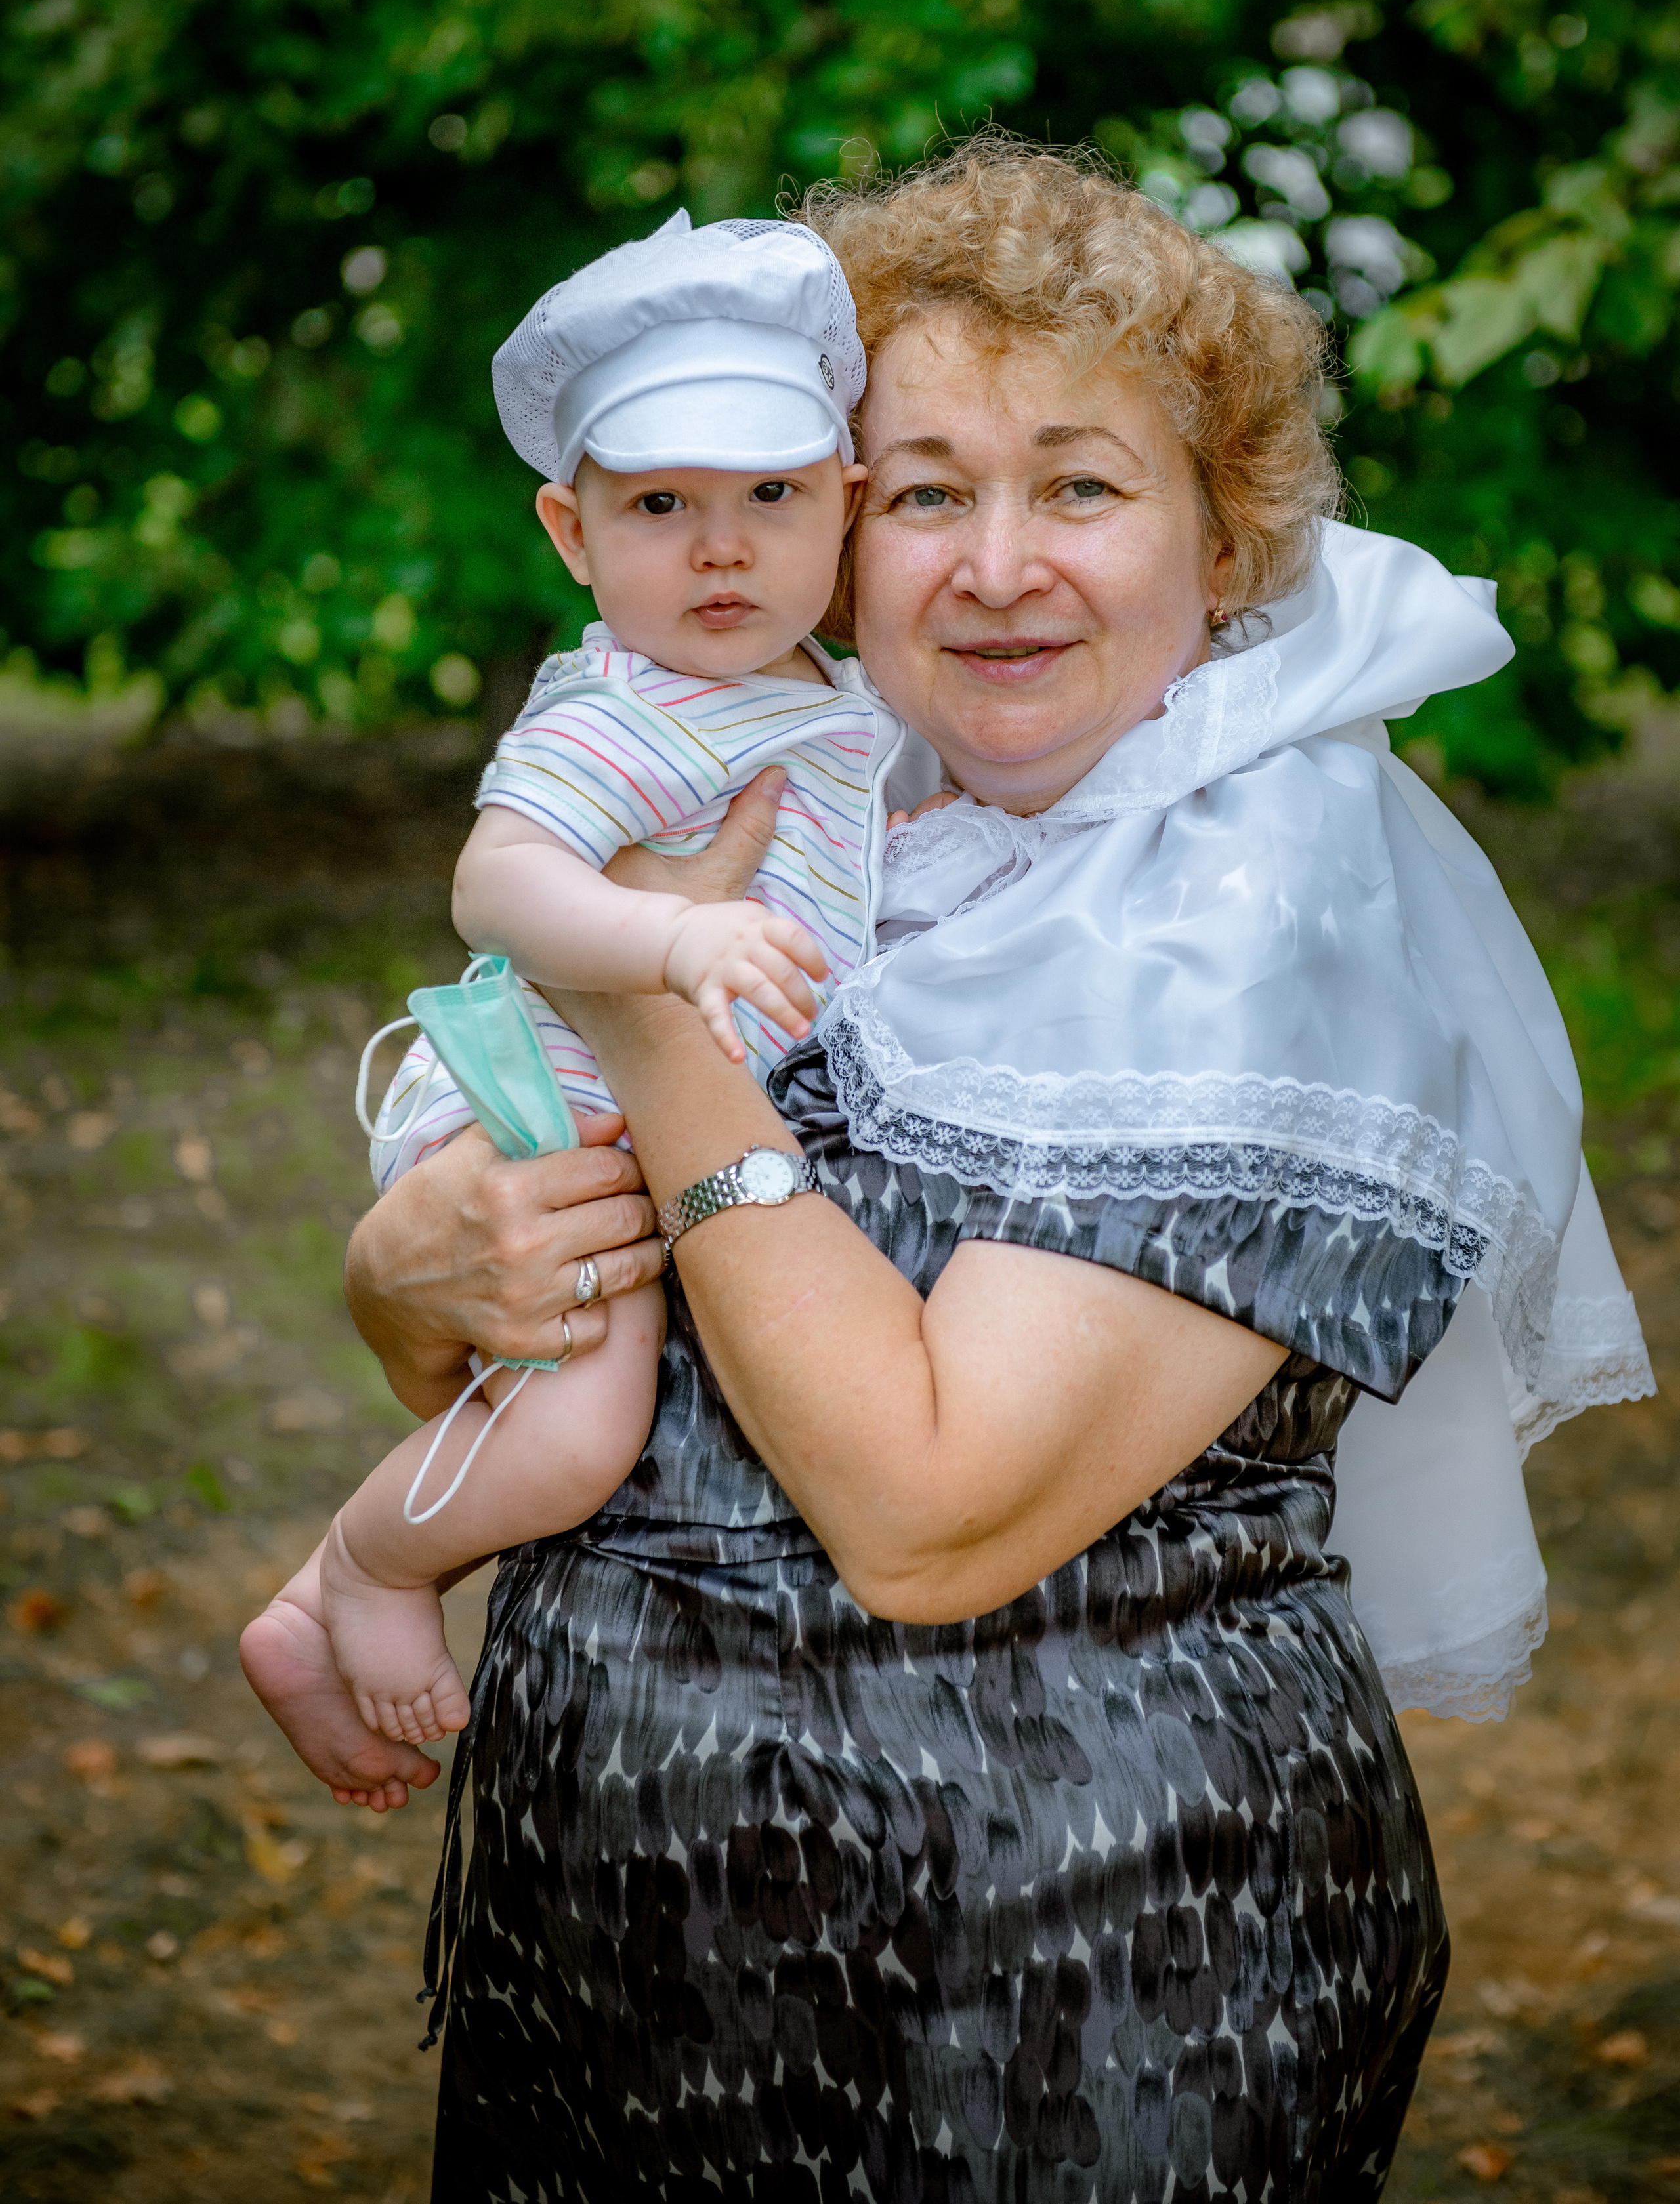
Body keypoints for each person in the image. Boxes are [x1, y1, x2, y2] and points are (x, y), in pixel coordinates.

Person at [300, 142, 1653, 2197]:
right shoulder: (840, 808)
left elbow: (928, 1517)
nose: (994, 562)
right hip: (620, 1965)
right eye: (926, 487)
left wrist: (654, 1006)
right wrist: (408, 1281)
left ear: (1227, 545)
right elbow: (572, 1350)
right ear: (840, 528)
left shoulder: (1273, 907)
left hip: (1072, 1988)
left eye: (1083, 486)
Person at [243, 213, 934, 1761]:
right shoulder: (623, 706)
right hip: (541, 1108)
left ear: (846, 504)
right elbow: (494, 884)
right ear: (571, 533)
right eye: (659, 504)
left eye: (770, 495)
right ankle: (364, 1568)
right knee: (582, 1421)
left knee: (593, 1400)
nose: (719, 545)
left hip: (644, 1124)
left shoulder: (827, 697)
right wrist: (669, 945)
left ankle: (306, 1604)